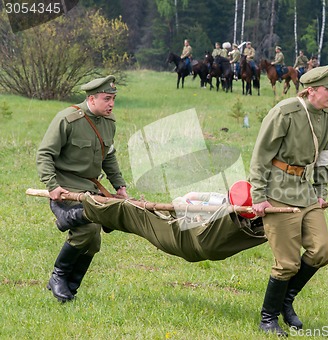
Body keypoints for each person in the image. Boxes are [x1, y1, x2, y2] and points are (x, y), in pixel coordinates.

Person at [248, 65, 328, 336]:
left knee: (322, 250)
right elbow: (260, 155)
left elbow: (325, 157)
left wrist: (321, 193)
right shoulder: (285, 112)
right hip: (277, 192)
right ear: (311, 90)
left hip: (305, 191)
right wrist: (258, 197)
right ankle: (268, 318)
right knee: (287, 263)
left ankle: (286, 301)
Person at [36, 75, 128, 303]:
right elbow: (44, 153)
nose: (111, 104)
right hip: (66, 189)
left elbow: (109, 157)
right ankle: (58, 277)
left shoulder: (108, 122)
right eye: (107, 99)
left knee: (93, 241)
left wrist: (120, 186)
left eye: (113, 99)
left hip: (90, 189)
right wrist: (52, 185)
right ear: (91, 98)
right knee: (87, 230)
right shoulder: (67, 119)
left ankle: (70, 289)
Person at [48, 191, 267, 263]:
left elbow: (183, 201)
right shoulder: (224, 205)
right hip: (184, 235)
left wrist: (185, 206)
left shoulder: (223, 207)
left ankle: (78, 215)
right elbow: (185, 200)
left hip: (184, 238)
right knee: (130, 211)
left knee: (129, 211)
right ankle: (82, 216)